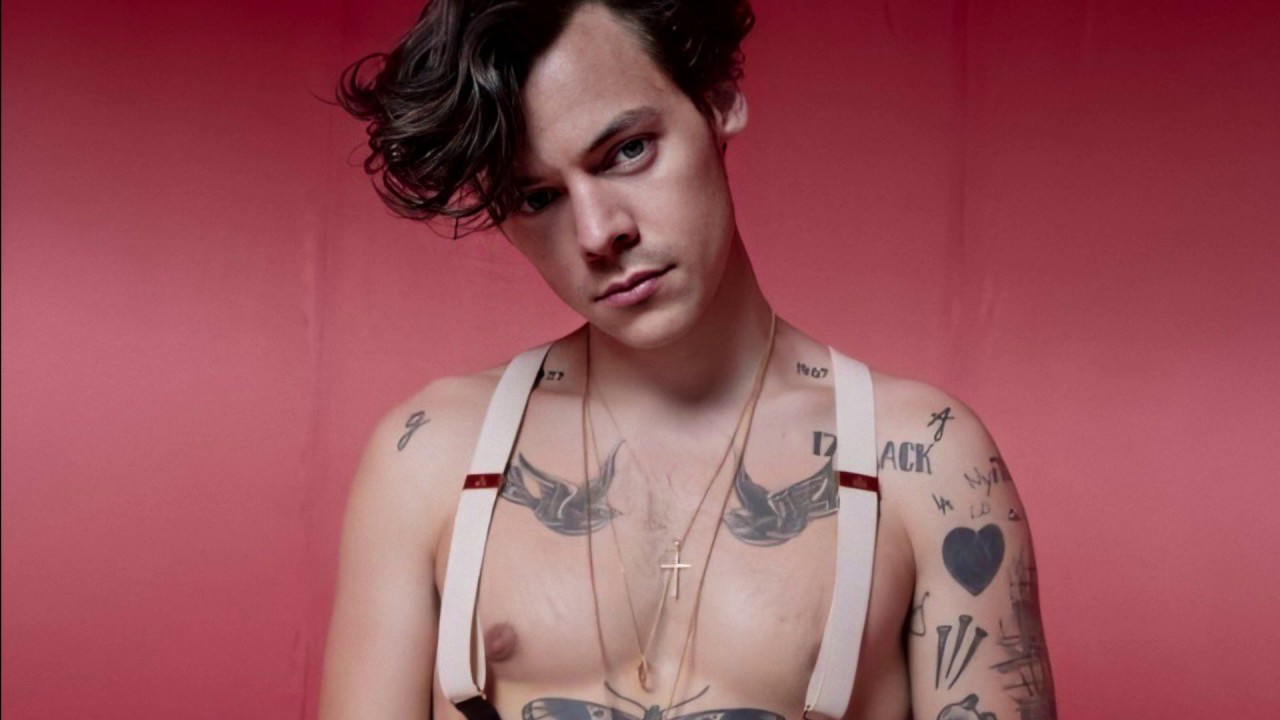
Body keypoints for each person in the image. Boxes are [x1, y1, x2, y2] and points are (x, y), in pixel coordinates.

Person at [319, 2, 1057, 719]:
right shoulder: (431, 455)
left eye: (628, 151)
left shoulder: (925, 460)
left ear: (718, 98)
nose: (598, 233)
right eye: (538, 197)